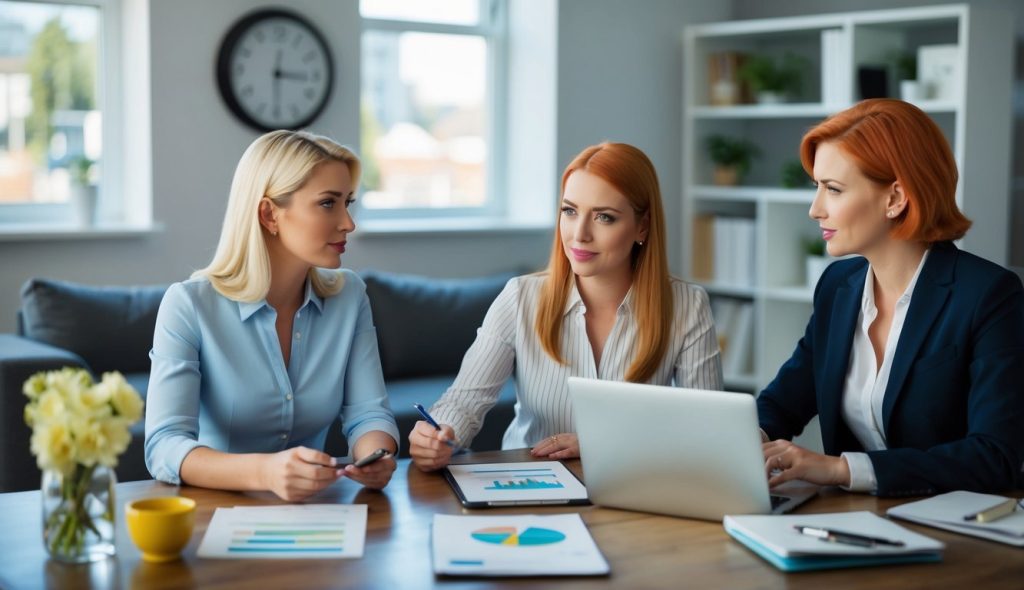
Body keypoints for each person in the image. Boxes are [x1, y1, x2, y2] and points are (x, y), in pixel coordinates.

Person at [759, 99, 1024, 496]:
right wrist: (744, 438)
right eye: (817, 187)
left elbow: (994, 457)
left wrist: (841, 469)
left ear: (895, 198)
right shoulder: (837, 286)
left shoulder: (988, 296)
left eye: (833, 189)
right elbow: (782, 404)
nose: (815, 209)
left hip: (957, 533)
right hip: (855, 523)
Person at [410, 141, 724, 471]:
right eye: (569, 211)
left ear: (642, 226)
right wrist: (440, 433)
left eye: (604, 217)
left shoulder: (687, 306)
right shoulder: (520, 297)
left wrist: (601, 445)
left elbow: (707, 430)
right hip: (529, 486)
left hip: (633, 487)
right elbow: (466, 399)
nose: (579, 234)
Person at [145, 130, 399, 501]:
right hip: (215, 515)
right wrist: (265, 471)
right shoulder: (188, 305)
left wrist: (376, 455)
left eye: (348, 202)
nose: (348, 223)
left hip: (318, 514)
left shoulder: (350, 296)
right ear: (269, 214)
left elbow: (368, 414)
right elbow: (164, 446)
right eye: (328, 204)